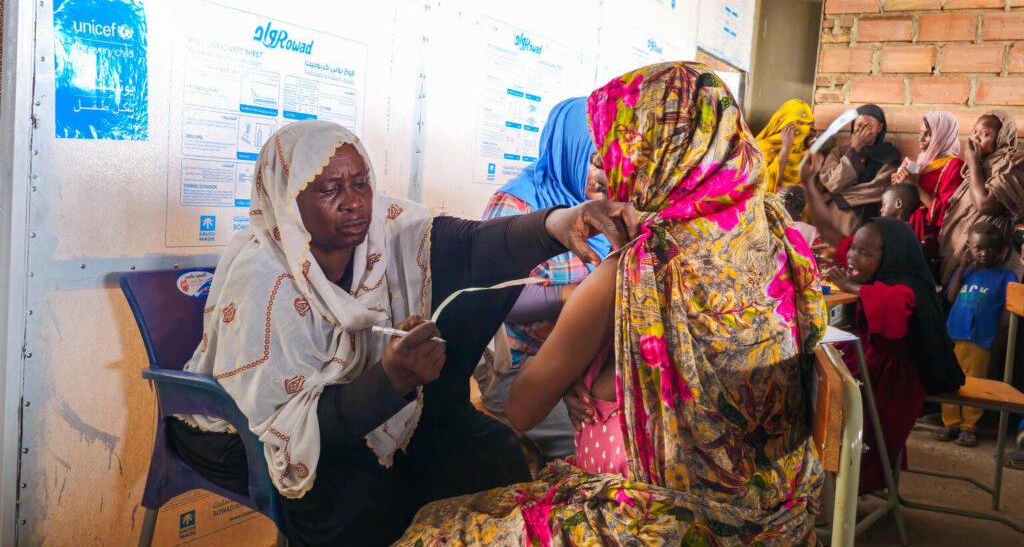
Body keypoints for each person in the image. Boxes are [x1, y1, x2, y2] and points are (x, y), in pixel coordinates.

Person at [394, 62, 827, 546]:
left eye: (618, 151)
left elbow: (521, 408)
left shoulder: (633, 269)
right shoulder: (779, 238)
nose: (606, 167)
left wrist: (571, 369)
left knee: (432, 527)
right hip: (777, 507)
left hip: (664, 519)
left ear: (654, 156)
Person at [168, 121, 640, 546]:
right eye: (330, 189)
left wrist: (557, 226)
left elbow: (468, 245)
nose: (353, 201)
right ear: (288, 201)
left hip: (362, 406)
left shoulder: (384, 228)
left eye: (361, 183)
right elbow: (288, 427)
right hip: (251, 433)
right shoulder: (266, 282)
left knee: (486, 455)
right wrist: (390, 381)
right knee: (360, 499)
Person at [476, 96, 608, 460]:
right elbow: (498, 299)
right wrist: (581, 295)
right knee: (586, 445)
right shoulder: (517, 207)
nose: (604, 174)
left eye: (610, 160)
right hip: (518, 368)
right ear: (569, 149)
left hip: (574, 361)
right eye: (595, 160)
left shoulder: (602, 212)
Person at [824, 218, 964, 494]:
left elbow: (890, 307)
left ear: (891, 257)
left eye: (864, 253)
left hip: (894, 378)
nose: (853, 256)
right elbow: (844, 249)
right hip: (871, 361)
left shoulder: (906, 288)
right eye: (853, 248)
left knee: (841, 405)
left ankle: (842, 493)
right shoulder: (881, 275)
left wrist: (851, 287)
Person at [938, 222, 1016, 447]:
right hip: (954, 334)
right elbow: (951, 298)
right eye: (978, 248)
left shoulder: (1006, 275)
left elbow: (1009, 310)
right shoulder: (965, 273)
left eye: (991, 249)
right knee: (950, 380)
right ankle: (950, 422)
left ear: (1001, 250)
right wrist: (961, 269)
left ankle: (968, 425)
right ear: (968, 248)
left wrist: (1002, 334)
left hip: (980, 338)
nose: (985, 254)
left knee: (975, 382)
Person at [939, 110, 1024, 284]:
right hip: (962, 253)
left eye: (985, 134)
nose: (976, 138)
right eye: (974, 132)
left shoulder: (1011, 164)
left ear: (1001, 138)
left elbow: (984, 204)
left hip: (990, 255)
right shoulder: (983, 163)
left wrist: (973, 163)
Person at [816, 104, 900, 237]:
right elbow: (832, 183)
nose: (863, 131)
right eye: (859, 125)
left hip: (871, 221)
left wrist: (835, 196)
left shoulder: (889, 155)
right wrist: (854, 149)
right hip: (838, 218)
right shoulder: (839, 152)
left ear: (880, 127)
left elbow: (878, 189)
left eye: (869, 126)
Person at [893, 112, 964, 259]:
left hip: (929, 235)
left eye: (928, 134)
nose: (920, 139)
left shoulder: (954, 166)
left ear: (944, 135)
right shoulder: (921, 162)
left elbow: (947, 213)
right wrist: (899, 186)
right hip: (907, 227)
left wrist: (914, 186)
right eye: (920, 133)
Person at [755, 99, 815, 192]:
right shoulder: (761, 148)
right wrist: (786, 147)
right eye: (799, 123)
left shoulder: (803, 147)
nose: (804, 128)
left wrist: (811, 147)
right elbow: (766, 186)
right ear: (783, 122)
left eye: (808, 124)